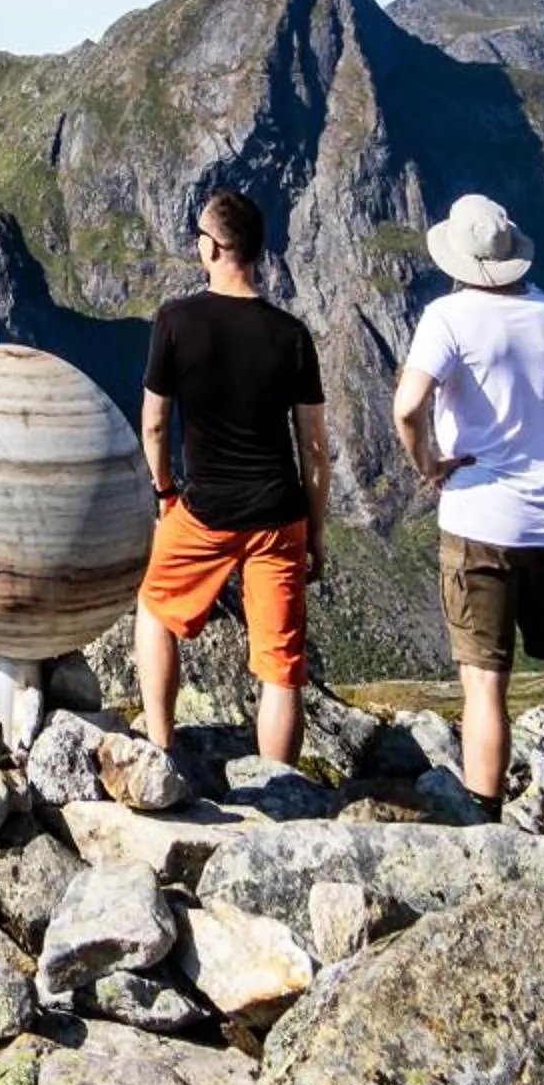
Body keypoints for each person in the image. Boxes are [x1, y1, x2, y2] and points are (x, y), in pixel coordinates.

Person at [390, 193, 544, 817]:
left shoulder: (448, 317)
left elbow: (407, 407)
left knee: (485, 685)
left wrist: (429, 464)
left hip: (479, 522)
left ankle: (486, 819)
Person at [130, 188, 329, 764]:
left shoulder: (176, 321)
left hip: (205, 511)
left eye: (199, 235)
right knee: (281, 666)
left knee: (155, 609)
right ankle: (281, 788)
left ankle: (161, 748)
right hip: (278, 516)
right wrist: (314, 534)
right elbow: (314, 448)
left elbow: (154, 424)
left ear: (213, 248)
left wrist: (165, 491)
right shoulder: (291, 335)